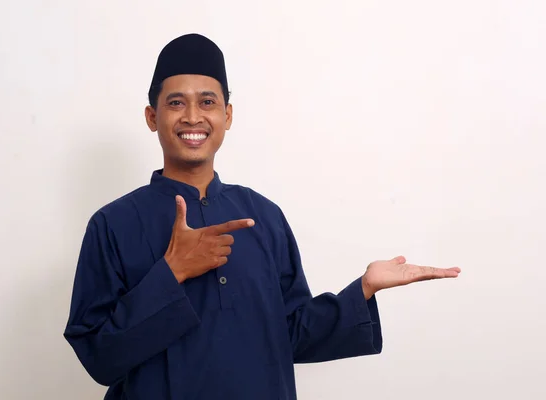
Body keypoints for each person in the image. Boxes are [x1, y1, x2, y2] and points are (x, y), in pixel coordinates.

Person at [63, 33, 461, 400]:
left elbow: (290, 333)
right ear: (152, 117)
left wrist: (362, 291)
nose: (192, 117)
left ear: (227, 115)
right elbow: (99, 358)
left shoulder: (263, 217)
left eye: (207, 101)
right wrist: (171, 273)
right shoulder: (112, 225)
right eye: (175, 102)